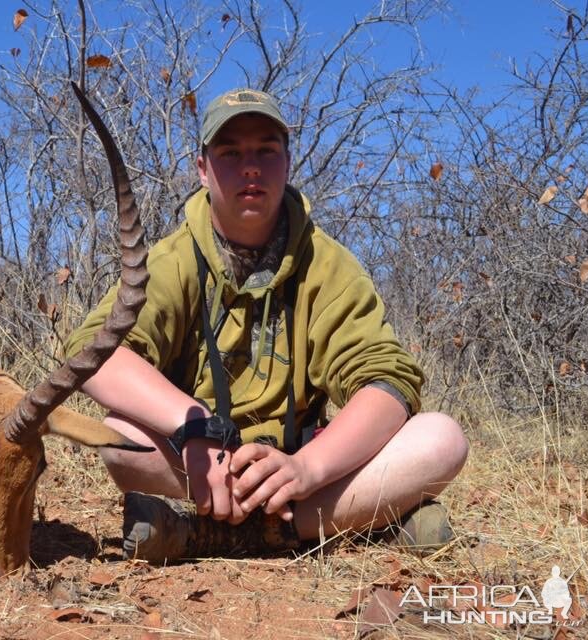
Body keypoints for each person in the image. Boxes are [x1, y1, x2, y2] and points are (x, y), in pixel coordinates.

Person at [63, 88, 469, 562]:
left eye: (266, 151)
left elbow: (387, 380)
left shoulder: (329, 263)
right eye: (230, 153)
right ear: (203, 169)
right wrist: (194, 429)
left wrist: (307, 468)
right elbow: (95, 351)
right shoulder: (172, 260)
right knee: (122, 439)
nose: (250, 167)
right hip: (200, 462)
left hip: (301, 467)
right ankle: (356, 522)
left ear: (287, 162)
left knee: (442, 439)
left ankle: (206, 533)